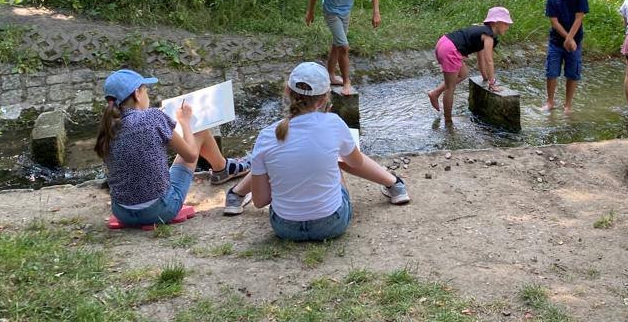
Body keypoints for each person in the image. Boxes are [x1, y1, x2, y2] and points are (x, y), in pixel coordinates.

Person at [222, 61, 409, 240]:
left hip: (285, 228)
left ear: (287, 91)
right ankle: (395, 185)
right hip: (332, 224)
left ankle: (235, 196)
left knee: (268, 162)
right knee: (337, 158)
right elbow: (355, 162)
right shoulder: (333, 123)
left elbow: (261, 201)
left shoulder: (266, 135)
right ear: (324, 99)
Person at [95, 68, 250, 227]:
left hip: (122, 213)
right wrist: (184, 122)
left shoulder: (107, 126)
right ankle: (222, 169)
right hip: (161, 209)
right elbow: (191, 155)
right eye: (146, 90)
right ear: (137, 93)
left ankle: (222, 168)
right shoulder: (153, 117)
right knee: (200, 132)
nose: (147, 95)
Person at [305, 0, 381, 95]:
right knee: (344, 47)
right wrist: (310, 12)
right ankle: (347, 82)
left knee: (337, 45)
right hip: (331, 13)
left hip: (345, 13)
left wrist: (376, 13)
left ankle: (331, 75)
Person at [427, 7, 513, 126]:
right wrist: (492, 83)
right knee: (450, 88)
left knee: (463, 74)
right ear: (495, 23)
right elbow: (489, 61)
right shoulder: (488, 37)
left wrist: (485, 78)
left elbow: (481, 59)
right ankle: (448, 121)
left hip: (444, 42)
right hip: (450, 50)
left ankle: (435, 93)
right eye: (506, 23)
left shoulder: (482, 31)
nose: (508, 27)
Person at [543, 0, 589, 112]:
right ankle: (550, 102)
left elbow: (579, 18)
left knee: (573, 73)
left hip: (575, 42)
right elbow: (554, 22)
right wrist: (568, 38)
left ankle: (568, 105)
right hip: (556, 42)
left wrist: (570, 39)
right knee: (551, 72)